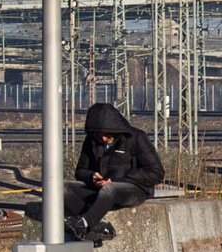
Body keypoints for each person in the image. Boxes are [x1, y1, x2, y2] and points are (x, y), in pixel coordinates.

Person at [65, 102, 164, 241]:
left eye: (108, 136)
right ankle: (95, 223)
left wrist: (119, 179)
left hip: (134, 189)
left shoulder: (136, 138)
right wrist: (91, 176)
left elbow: (157, 173)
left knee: (111, 188)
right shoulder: (91, 141)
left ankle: (84, 224)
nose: (104, 139)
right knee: (59, 187)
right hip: (100, 190)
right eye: (100, 136)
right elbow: (80, 170)